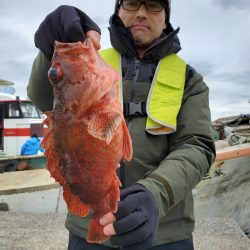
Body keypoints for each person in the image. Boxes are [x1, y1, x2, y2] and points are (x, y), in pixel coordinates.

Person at [28, 1, 216, 249]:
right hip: (87, 229)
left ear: (166, 16)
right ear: (118, 10)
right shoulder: (92, 58)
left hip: (164, 230)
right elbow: (43, 97)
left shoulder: (190, 80)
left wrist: (155, 194)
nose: (141, 12)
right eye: (131, 3)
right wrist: (48, 52)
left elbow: (197, 145)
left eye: (153, 5)